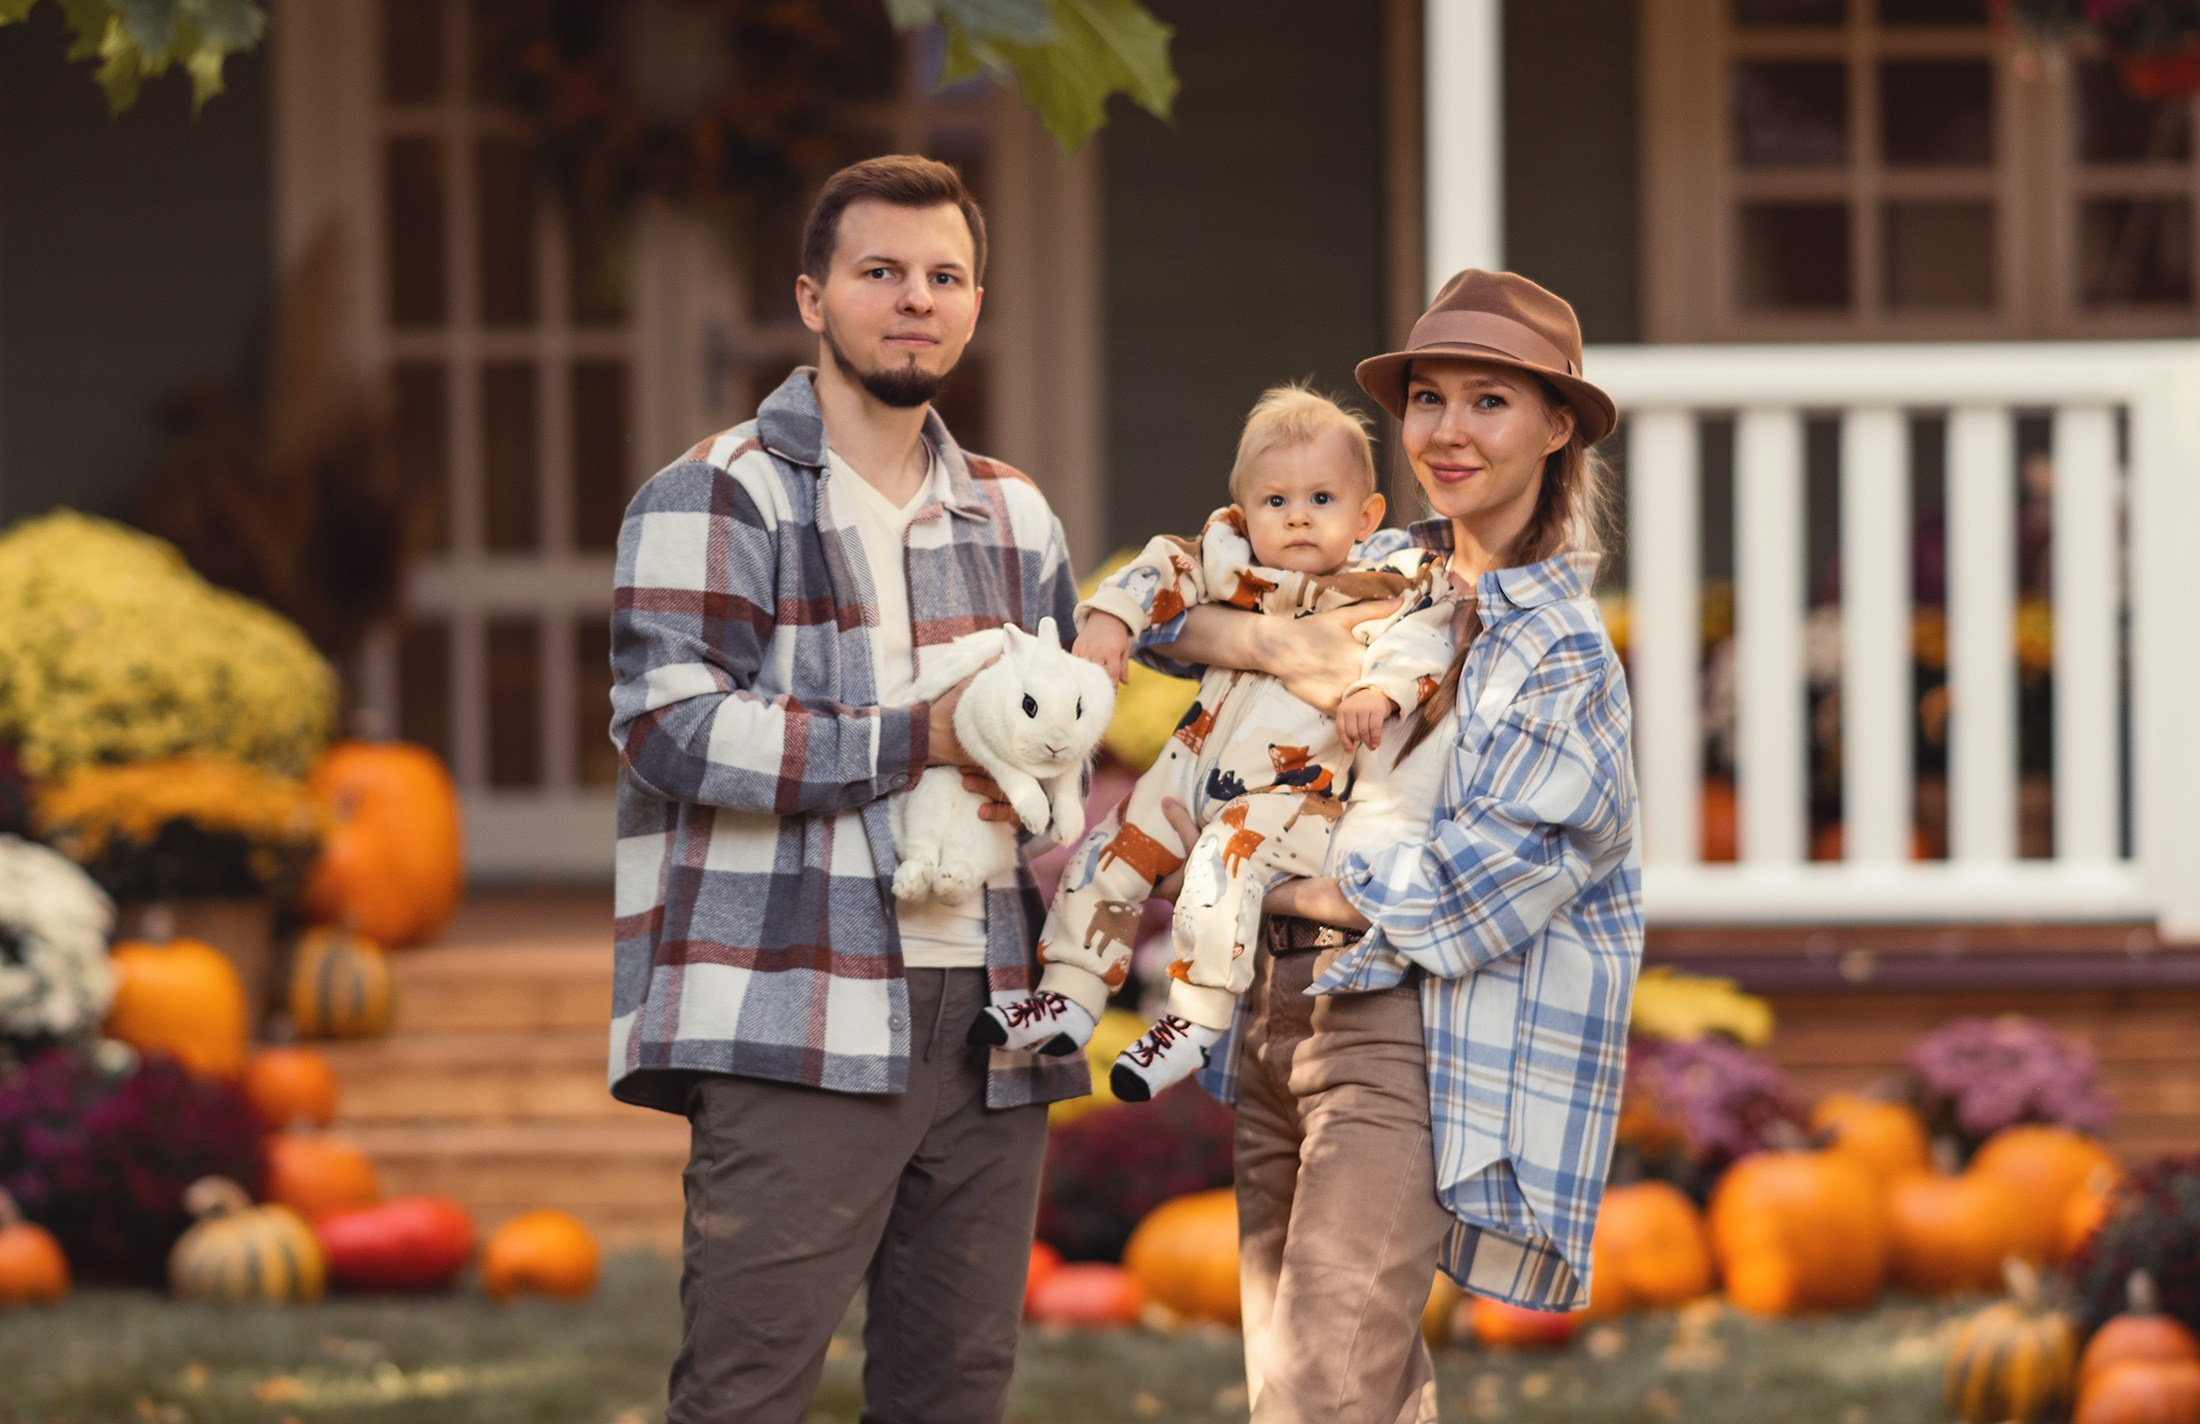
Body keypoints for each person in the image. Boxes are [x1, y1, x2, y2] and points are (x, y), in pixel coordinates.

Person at [605, 154, 1087, 1424]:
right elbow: (668, 726)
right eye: (881, 271)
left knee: (954, 1391)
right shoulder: (718, 490)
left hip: (991, 1018)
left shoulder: (1015, 515)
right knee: (747, 1389)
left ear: (974, 304)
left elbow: (1056, 733)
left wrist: (1044, 800)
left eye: (944, 276)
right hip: (792, 996)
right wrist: (912, 739)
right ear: (813, 299)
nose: (915, 298)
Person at [1149, 269, 1644, 1422]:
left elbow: (1489, 882)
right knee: (1329, 1388)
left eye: (1488, 402)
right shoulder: (1371, 560)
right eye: (1428, 399)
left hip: (1397, 1028)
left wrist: (1264, 871)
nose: (1447, 430)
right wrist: (1280, 649)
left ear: (1555, 427)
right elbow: (1166, 615)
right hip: (1272, 1015)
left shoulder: (1558, 651)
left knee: (1320, 1392)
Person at [971, 385, 1455, 1102]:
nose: (1297, 516)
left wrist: (1378, 692)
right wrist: (1112, 618)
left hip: (1292, 797)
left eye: (1322, 499)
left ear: (1366, 515)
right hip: (1191, 768)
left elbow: (1424, 641)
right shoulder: (1231, 564)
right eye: (1275, 501)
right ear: (1243, 513)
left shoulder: (1386, 582)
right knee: (1108, 850)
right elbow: (1160, 566)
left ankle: (1193, 1018)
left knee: (1222, 863)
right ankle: (1069, 994)